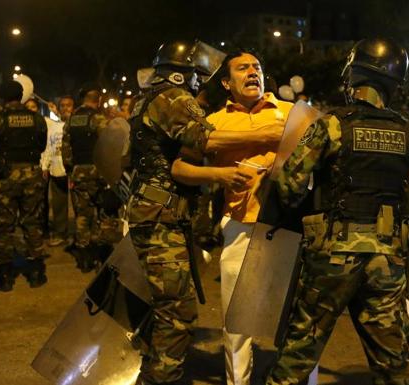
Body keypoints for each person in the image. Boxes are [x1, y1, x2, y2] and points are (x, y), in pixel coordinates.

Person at [127, 40, 282, 385]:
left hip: (158, 211)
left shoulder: (148, 100)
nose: (200, 83)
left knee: (168, 306)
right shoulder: (173, 99)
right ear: (183, 75)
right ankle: (159, 379)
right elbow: (206, 138)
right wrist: (277, 132)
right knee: (177, 311)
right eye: (197, 76)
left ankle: (156, 374)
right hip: (160, 214)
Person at [264, 37, 409, 385]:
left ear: (353, 77)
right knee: (393, 362)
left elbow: (289, 186)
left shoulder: (331, 125)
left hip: (334, 255)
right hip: (387, 257)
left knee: (298, 355)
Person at [178, 49, 293, 385]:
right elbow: (180, 167)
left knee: (294, 321)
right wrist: (221, 175)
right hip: (239, 226)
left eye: (257, 66)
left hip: (288, 228)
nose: (253, 72)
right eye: (243, 68)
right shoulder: (214, 122)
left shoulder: (292, 113)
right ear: (227, 82)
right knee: (237, 323)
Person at [0, 80, 48, 291]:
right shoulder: (37, 119)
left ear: (1, 98)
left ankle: (5, 277)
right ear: (21, 96)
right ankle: (36, 273)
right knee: (33, 223)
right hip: (32, 176)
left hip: (6, 178)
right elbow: (41, 145)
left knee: (3, 227)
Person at [61, 84, 121, 272]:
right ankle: (104, 255)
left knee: (82, 216)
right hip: (100, 173)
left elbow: (65, 150)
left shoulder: (71, 120)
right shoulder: (99, 119)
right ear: (99, 100)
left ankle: (85, 258)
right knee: (104, 213)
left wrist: (71, 169)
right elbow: (109, 147)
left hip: (79, 172)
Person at [41, 95, 74, 246]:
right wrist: (45, 165)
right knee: (59, 205)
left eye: (69, 105)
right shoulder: (53, 126)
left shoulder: (76, 124)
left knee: (80, 205)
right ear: (59, 109)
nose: (66, 108)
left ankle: (82, 235)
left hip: (74, 171)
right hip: (56, 170)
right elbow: (49, 146)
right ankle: (61, 234)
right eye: (63, 106)